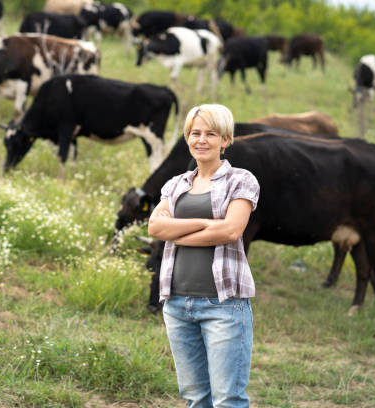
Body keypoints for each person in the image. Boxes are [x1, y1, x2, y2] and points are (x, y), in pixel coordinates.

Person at [147, 104, 260, 408]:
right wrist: (204, 223)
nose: (202, 140)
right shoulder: (176, 184)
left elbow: (230, 232)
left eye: (211, 134)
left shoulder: (241, 180)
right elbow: (155, 227)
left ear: (225, 140)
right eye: (195, 133)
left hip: (223, 305)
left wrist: (178, 231)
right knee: (196, 398)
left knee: (227, 399)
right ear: (187, 138)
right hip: (177, 304)